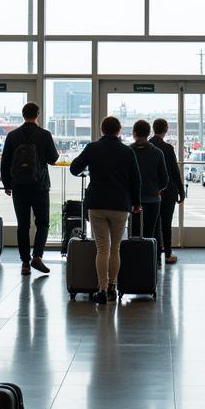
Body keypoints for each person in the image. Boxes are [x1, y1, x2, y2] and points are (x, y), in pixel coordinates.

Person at [69, 116, 141, 305]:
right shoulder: (127, 151)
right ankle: (112, 287)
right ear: (119, 131)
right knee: (115, 247)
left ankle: (101, 289)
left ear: (102, 130)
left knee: (102, 248)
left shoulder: (93, 148)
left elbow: (74, 169)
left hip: (97, 203)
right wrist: (136, 203)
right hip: (120, 204)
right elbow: (136, 180)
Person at [0, 102, 59, 276]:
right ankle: (37, 256)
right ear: (38, 114)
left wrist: (7, 185)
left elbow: (5, 163)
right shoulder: (44, 135)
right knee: (43, 223)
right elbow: (53, 158)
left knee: (23, 225)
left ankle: (25, 263)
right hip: (40, 186)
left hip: (19, 187)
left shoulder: (13, 136)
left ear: (23, 114)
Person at [130, 120, 168, 256]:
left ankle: (133, 263)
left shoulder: (128, 151)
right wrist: (157, 188)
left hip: (132, 201)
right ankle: (149, 264)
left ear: (134, 133)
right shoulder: (157, 153)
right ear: (149, 133)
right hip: (153, 199)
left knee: (133, 234)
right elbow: (165, 179)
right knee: (149, 234)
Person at [150, 118, 184, 264]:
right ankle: (168, 254)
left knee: (154, 223)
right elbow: (175, 172)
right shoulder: (168, 148)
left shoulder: (148, 146)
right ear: (166, 129)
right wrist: (181, 192)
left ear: (153, 128)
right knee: (166, 223)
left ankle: (155, 254)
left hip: (151, 191)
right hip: (168, 190)